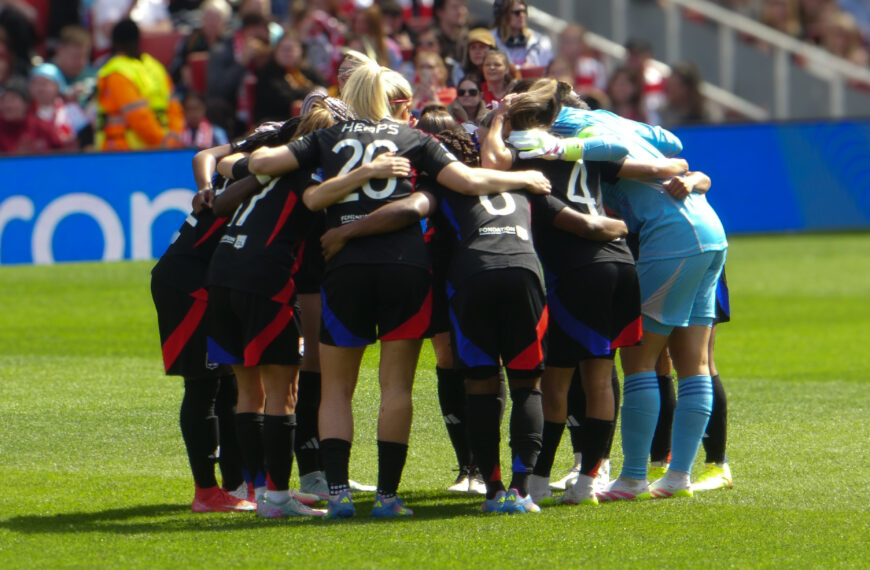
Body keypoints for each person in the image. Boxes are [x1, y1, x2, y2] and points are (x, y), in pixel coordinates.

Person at [247, 62, 551, 519]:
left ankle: (338, 495)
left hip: (344, 267)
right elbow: (468, 181)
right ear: (394, 100)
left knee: (337, 389)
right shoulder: (415, 139)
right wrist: (522, 178)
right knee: (396, 388)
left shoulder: (328, 138)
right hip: (405, 267)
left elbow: (260, 163)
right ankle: (388, 496)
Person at [534, 93, 726, 501]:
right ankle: (678, 476)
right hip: (709, 230)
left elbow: (609, 149)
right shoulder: (612, 117)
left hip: (671, 237)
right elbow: (670, 140)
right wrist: (671, 167)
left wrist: (555, 144)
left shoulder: (570, 126)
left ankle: (634, 477)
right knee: (695, 363)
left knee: (639, 358)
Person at [150, 150, 254, 514]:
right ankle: (206, 493)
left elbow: (207, 153)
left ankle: (234, 486)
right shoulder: (268, 161)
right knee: (204, 384)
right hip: (187, 285)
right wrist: (208, 186)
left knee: (228, 385)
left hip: (205, 282)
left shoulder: (260, 154)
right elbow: (206, 155)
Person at [95, 19, 184, 151]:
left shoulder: (116, 71)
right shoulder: (156, 67)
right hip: (163, 149)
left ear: (115, 42)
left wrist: (162, 142)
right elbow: (175, 108)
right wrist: (172, 140)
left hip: (126, 152)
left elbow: (138, 117)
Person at [254, 31, 326, 123]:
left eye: (291, 49)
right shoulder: (268, 73)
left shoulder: (306, 71)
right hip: (277, 122)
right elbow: (283, 98)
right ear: (276, 52)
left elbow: (324, 85)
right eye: (284, 49)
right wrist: (310, 92)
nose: (287, 53)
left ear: (300, 51)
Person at [28, 62, 89, 149]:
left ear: (58, 86)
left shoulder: (71, 110)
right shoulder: (24, 112)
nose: (40, 88)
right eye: (36, 83)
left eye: (45, 83)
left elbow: (87, 141)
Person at [490, 0, 553, 70]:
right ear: (503, 16)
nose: (522, 15)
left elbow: (548, 70)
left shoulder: (540, 41)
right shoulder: (490, 41)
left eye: (524, 11)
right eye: (517, 13)